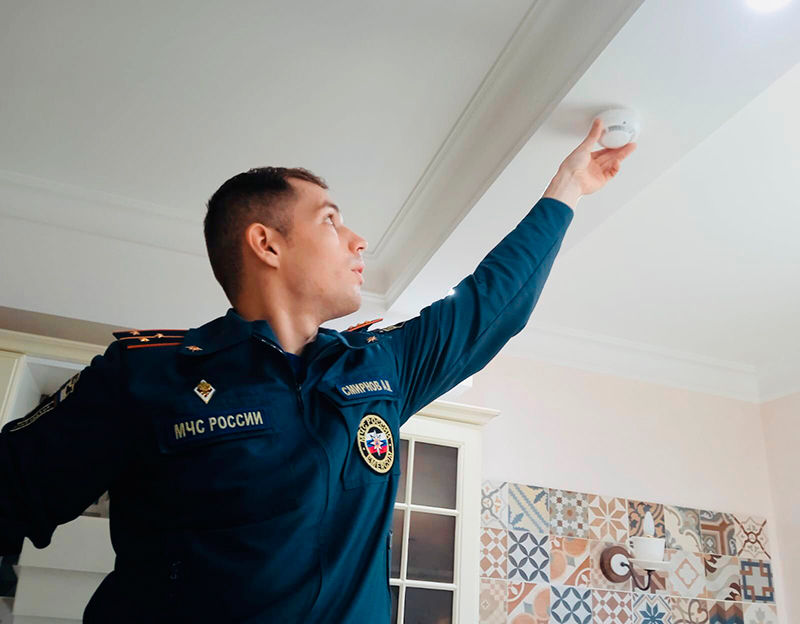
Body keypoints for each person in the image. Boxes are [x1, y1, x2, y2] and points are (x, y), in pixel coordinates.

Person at [0, 119, 635, 623]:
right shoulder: (145, 376)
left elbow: (492, 304)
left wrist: (568, 188)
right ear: (266, 244)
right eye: (330, 220)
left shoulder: (379, 366)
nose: (359, 241)